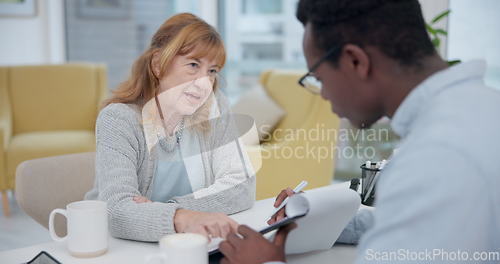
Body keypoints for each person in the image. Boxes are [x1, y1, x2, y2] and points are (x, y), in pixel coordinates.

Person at [219, 0, 500, 263]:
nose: (323, 95)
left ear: (355, 61)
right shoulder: (481, 109)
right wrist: (315, 220)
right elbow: (408, 221)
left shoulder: (434, 157)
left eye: (318, 78)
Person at [85, 13, 256, 242]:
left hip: (186, 243)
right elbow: (117, 212)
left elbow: (242, 186)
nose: (204, 83)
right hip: (121, 246)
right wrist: (183, 218)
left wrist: (178, 211)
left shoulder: (215, 106)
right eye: (193, 65)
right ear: (158, 64)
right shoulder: (118, 120)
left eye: (212, 71)